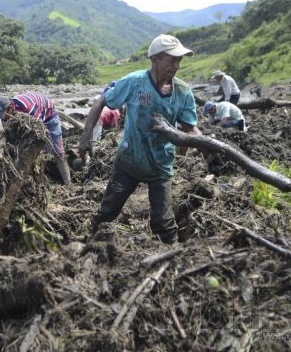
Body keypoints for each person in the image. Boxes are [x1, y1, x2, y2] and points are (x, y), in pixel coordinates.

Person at [78, 34, 201, 244]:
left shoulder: (183, 92)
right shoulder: (134, 82)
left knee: (163, 221)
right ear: (155, 59)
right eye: (172, 59)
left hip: (160, 166)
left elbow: (190, 129)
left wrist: (205, 144)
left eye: (179, 60)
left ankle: (172, 255)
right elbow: (102, 101)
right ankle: (89, 242)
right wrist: (85, 138)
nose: (177, 65)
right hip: (129, 161)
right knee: (108, 211)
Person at [0, 93, 72, 184]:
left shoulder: (28, 108)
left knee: (58, 152)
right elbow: (8, 131)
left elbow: (39, 131)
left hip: (48, 115)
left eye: (4, 115)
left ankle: (68, 182)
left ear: (10, 108)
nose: (4, 118)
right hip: (33, 117)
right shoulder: (6, 113)